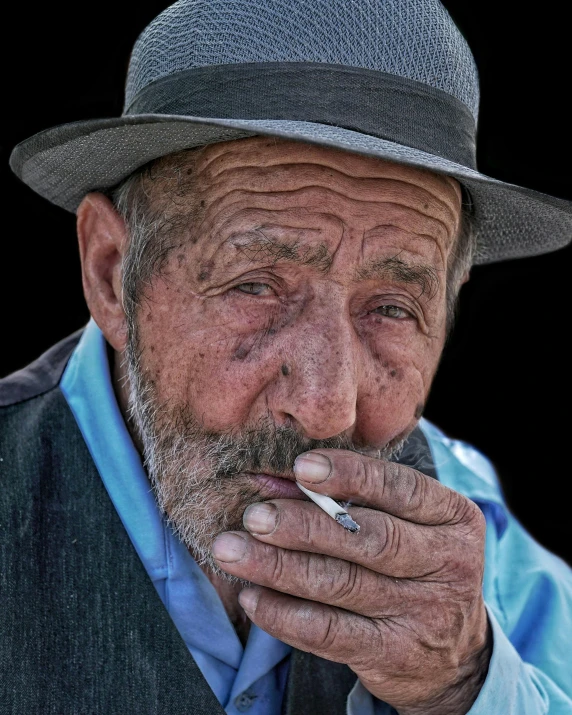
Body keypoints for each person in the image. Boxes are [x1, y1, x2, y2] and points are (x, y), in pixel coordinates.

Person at [1, 1, 571, 714]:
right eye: (257, 286)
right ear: (114, 274)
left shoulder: (475, 531)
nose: (328, 403)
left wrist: (464, 682)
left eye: (392, 307)